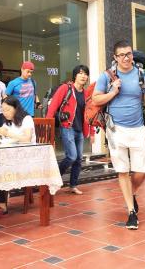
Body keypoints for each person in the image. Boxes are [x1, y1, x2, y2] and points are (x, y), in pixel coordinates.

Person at [92, 40, 145, 230]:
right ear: (115, 57)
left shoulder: (143, 76)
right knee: (122, 171)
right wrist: (113, 92)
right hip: (115, 130)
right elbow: (96, 99)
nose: (126, 58)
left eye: (129, 54)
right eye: (122, 55)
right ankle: (131, 212)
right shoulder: (107, 77)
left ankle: (132, 192)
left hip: (138, 129)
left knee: (142, 171)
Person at [46, 65, 90, 195]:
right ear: (75, 75)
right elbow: (53, 105)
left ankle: (73, 185)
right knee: (71, 156)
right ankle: (54, 180)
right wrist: (48, 123)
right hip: (67, 127)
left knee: (78, 158)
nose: (83, 76)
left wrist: (91, 131)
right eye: (80, 73)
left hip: (79, 129)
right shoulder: (66, 88)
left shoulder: (86, 93)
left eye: (85, 74)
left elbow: (89, 113)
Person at [0, 96, 36, 213]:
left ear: (16, 108)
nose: (5, 113)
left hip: (27, 157)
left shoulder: (27, 119)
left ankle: (0, 202)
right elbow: (3, 136)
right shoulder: (8, 122)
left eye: (7, 110)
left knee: (0, 167)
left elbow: (27, 139)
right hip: (12, 156)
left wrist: (8, 133)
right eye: (3, 110)